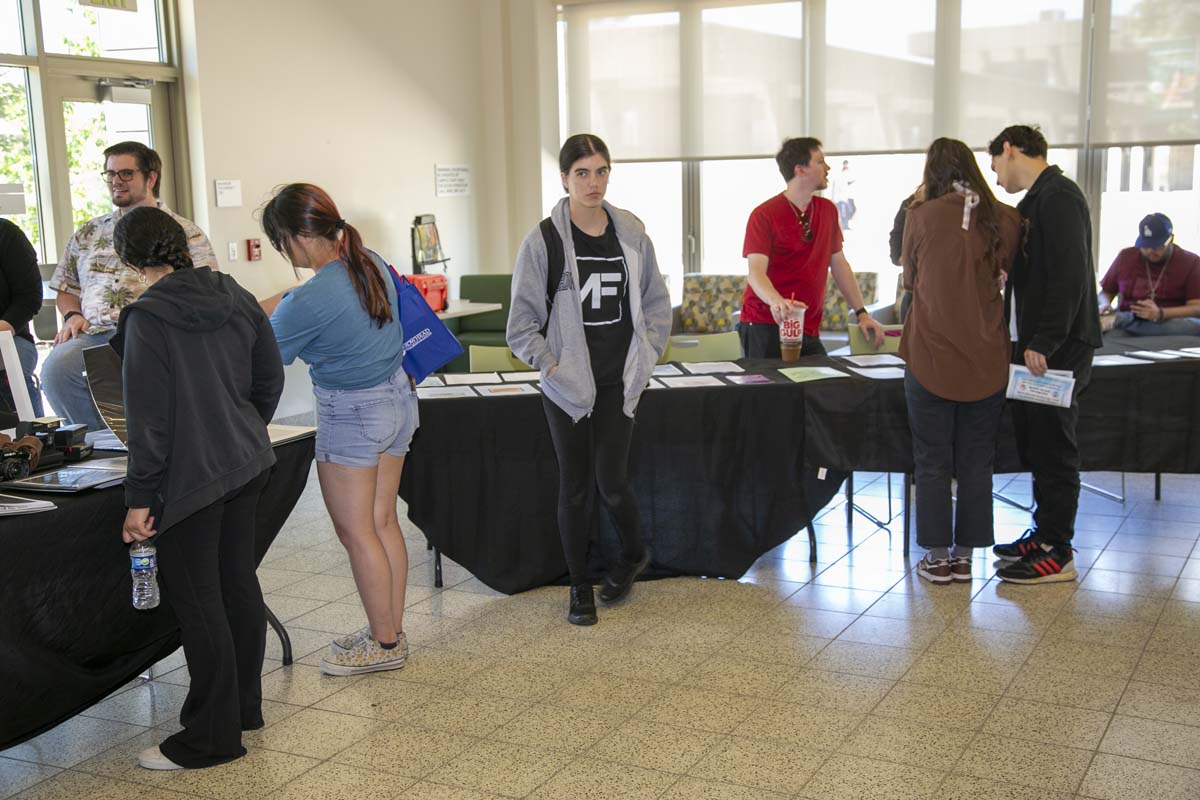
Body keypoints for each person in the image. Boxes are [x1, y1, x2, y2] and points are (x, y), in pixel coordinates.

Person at [112, 206, 284, 770]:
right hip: (246, 461)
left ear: (129, 261)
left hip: (191, 478)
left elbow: (149, 422)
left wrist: (140, 497)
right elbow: (270, 377)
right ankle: (242, 708)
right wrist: (241, 427)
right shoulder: (234, 293)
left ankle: (210, 737)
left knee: (199, 599)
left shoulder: (147, 318)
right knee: (236, 584)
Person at [507, 133, 671, 626]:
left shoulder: (632, 232)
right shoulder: (544, 241)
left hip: (619, 381)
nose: (593, 182)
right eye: (582, 173)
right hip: (569, 387)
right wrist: (551, 364)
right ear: (563, 178)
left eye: (601, 171)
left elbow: (656, 303)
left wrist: (648, 352)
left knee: (613, 483)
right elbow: (520, 326)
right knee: (575, 488)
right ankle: (579, 586)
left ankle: (633, 553)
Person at [261, 183, 416, 674]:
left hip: (353, 414)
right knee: (384, 521)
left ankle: (385, 646)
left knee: (357, 532)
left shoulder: (307, 299)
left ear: (294, 238)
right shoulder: (367, 260)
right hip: (398, 401)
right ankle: (388, 629)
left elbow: (264, 358)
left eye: (279, 244)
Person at [900, 139, 1020, 585]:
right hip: (987, 359)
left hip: (930, 355)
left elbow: (910, 278)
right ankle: (966, 556)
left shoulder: (921, 216)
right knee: (976, 462)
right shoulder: (1006, 219)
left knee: (931, 460)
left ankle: (937, 558)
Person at [988, 124, 1102, 584]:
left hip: (1054, 349)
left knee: (1055, 446)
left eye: (996, 164)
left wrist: (1043, 342)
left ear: (1011, 149)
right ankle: (1044, 532)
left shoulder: (1059, 197)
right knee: (1036, 441)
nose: (996, 177)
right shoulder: (1035, 201)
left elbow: (1071, 278)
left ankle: (1059, 550)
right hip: (1034, 347)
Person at [43, 141, 217, 432]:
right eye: (110, 174)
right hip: (95, 334)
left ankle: (139, 446)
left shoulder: (185, 231)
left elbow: (204, 288)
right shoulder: (89, 232)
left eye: (125, 173)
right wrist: (72, 316)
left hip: (155, 332)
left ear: (151, 178)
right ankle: (102, 444)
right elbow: (66, 288)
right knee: (57, 369)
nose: (116, 182)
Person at [740, 137, 885, 358]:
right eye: (820, 161)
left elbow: (839, 265)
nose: (827, 167)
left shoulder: (828, 210)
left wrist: (861, 313)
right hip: (765, 324)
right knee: (771, 392)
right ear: (800, 170)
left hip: (807, 325)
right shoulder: (764, 215)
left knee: (820, 388)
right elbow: (756, 273)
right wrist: (776, 301)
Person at [1098, 213, 1200, 336]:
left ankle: (1123, 321)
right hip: (1130, 318)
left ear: (1171, 239)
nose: (1150, 251)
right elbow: (1106, 292)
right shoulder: (1126, 256)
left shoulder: (1191, 261)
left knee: (1194, 326)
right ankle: (1125, 321)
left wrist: (1160, 313)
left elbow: (1196, 308)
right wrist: (1104, 304)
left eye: (1157, 246)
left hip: (1167, 322)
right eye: (1145, 246)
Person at [0, 218, 44, 416]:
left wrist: (4, 326)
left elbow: (30, 296)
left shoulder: (7, 234)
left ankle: (35, 439)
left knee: (14, 366)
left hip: (10, 336)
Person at [831, 159, 857, 230]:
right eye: (845, 165)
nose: (846, 166)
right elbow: (837, 187)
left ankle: (845, 225)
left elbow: (849, 182)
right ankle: (844, 225)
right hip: (841, 198)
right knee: (843, 212)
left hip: (847, 197)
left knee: (851, 210)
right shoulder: (840, 175)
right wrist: (834, 199)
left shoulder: (848, 172)